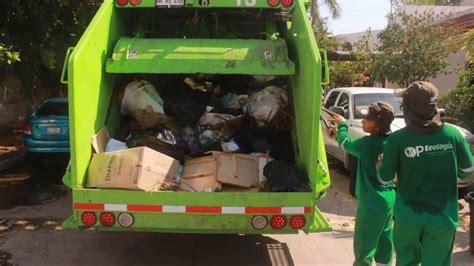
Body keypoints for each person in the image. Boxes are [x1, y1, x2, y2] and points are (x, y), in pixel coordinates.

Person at [378, 81, 474, 266]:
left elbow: (385, 179)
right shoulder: (453, 135)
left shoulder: (397, 140)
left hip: (407, 218)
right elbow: (467, 172)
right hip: (443, 218)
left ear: (408, 108)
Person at [330, 101, 396, 266]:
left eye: (368, 118)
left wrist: (342, 125)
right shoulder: (392, 142)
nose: (363, 121)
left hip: (371, 202)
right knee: (384, 241)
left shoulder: (367, 144)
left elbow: (345, 144)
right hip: (388, 198)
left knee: (364, 246)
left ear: (378, 125)